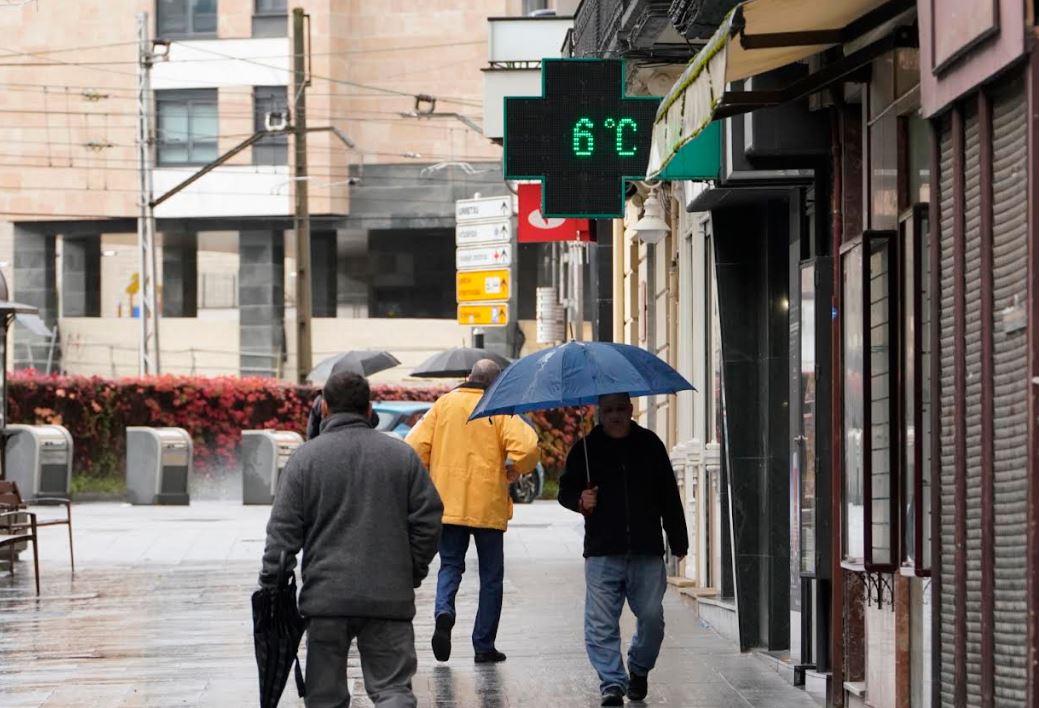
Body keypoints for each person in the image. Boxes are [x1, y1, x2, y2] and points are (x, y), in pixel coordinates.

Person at [260, 371, 443, 708]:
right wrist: (410, 571)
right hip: (389, 597)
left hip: (326, 601)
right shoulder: (402, 457)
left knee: (324, 698)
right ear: (369, 407)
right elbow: (429, 520)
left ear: (324, 408)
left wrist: (272, 581)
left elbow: (282, 532)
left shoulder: (306, 459)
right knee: (393, 691)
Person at [405, 359, 540, 664]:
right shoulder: (498, 408)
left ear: (469, 376)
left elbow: (413, 445)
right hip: (487, 506)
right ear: (495, 384)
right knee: (491, 577)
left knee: (450, 565)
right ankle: (483, 645)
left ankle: (443, 611)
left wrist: (429, 475)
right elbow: (529, 448)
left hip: (447, 504)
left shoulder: (443, 405)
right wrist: (515, 468)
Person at [558, 393, 688, 707]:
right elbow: (565, 491)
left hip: (646, 550)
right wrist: (580, 500)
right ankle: (612, 684)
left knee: (651, 617)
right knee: (600, 623)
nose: (615, 416)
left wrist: (678, 539)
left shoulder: (650, 445)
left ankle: (639, 668)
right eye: (608, 410)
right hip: (603, 551)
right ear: (599, 413)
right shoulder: (586, 449)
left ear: (630, 410)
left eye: (620, 409)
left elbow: (668, 494)